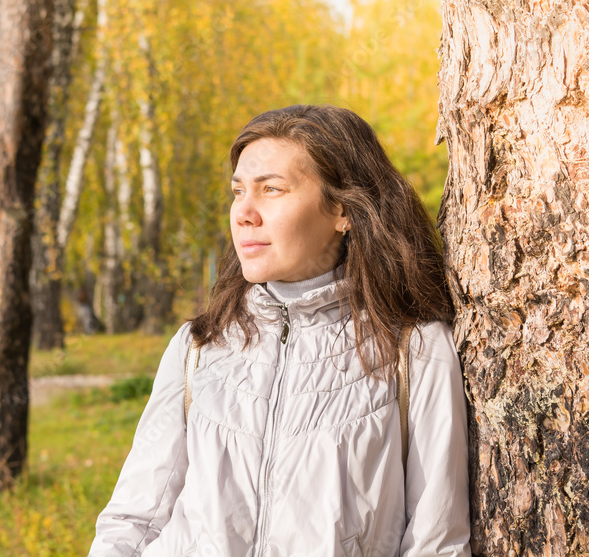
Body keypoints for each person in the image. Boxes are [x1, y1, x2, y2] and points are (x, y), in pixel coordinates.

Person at [89, 105, 471, 556]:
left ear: (343, 210)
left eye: (271, 189)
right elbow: (134, 519)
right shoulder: (199, 345)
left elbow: (436, 544)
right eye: (238, 191)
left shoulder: (414, 351)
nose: (245, 213)